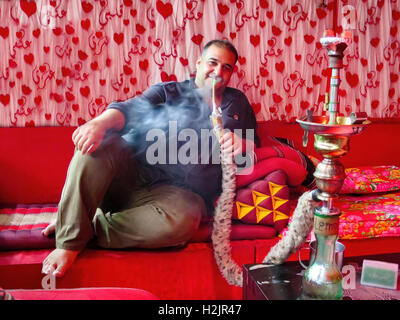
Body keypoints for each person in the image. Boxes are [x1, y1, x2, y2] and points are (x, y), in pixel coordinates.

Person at [41, 39, 260, 277]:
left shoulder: (237, 103)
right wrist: (98, 123)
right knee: (99, 143)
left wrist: (242, 144)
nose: (218, 72)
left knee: (182, 222)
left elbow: (252, 149)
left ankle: (81, 225)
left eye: (226, 67)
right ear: (198, 63)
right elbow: (130, 109)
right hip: (130, 179)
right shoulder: (169, 92)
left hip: (179, 197)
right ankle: (69, 242)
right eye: (213, 63)